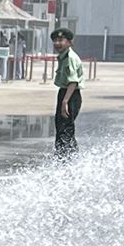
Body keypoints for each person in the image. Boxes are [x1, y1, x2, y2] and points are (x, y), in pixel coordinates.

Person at [50, 27, 84, 156]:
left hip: (70, 95)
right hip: (65, 93)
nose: (57, 43)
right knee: (61, 127)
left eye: (60, 40)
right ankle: (64, 156)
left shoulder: (70, 58)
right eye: (55, 41)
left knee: (65, 129)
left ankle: (67, 158)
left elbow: (73, 82)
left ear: (70, 42)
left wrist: (65, 102)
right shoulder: (63, 56)